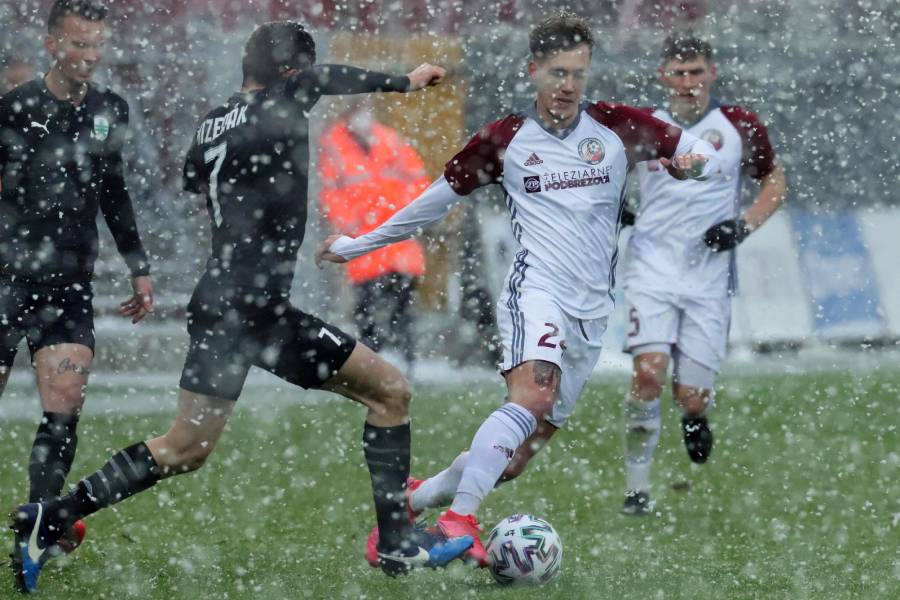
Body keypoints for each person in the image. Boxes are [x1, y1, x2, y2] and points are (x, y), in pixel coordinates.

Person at [9, 20, 470, 594]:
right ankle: (398, 545)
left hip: (218, 301)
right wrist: (404, 80)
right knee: (390, 391)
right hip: (258, 310)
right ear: (291, 73)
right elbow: (324, 78)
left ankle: (50, 516)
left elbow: (195, 181)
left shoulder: (209, 125)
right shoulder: (287, 96)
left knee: (184, 448)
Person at [316, 13, 720, 567]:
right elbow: (434, 200)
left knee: (514, 458)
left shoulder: (617, 127)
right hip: (537, 291)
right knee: (530, 398)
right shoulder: (505, 140)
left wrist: (688, 163)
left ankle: (414, 498)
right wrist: (361, 244)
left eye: (578, 73)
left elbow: (700, 151)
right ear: (533, 71)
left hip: (591, 310)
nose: (568, 85)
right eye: (557, 72)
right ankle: (460, 519)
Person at [0, 0, 154, 562]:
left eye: (96, 46)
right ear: (51, 44)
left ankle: (37, 529)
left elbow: (113, 191)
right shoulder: (14, 108)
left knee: (63, 407)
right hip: (7, 278)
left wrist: (138, 266)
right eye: (78, 45)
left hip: (69, 282)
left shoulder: (110, 109)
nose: (89, 57)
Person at [617, 33, 787, 515]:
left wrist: (743, 225)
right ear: (662, 77)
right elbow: (604, 175)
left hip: (708, 280)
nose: (688, 83)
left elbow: (775, 180)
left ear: (712, 73)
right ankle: (636, 490)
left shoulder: (738, 126)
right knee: (648, 373)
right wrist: (620, 210)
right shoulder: (645, 127)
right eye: (679, 73)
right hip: (651, 269)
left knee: (690, 396)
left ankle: (695, 416)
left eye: (696, 72)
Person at [318, 100, 429, 371]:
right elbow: (330, 191)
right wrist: (350, 223)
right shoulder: (333, 145)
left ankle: (404, 360)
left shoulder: (389, 140)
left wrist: (404, 212)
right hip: (363, 241)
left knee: (401, 304)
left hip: (395, 237)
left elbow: (418, 180)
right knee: (366, 306)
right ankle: (372, 362)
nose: (364, 117)